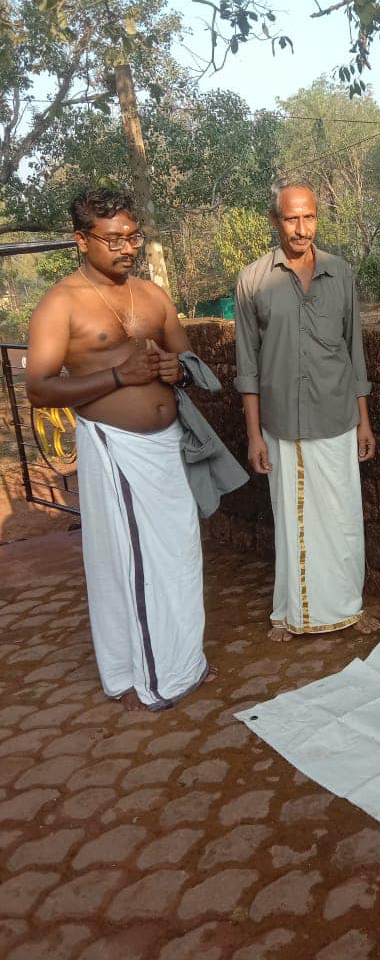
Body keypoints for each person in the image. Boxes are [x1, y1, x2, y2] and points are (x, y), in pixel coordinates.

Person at [25, 188, 214, 710]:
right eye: (112, 239)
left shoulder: (152, 296)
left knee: (178, 555)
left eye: (132, 236)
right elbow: (38, 389)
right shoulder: (60, 303)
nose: (126, 248)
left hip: (167, 447)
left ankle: (182, 659)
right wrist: (114, 374)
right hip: (116, 449)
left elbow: (185, 355)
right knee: (132, 562)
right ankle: (154, 677)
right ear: (82, 240)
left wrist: (181, 369)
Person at [234, 178, 380, 643]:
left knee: (342, 519)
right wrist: (254, 435)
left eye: (310, 217)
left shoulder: (341, 273)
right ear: (276, 221)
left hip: (337, 417)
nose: (302, 228)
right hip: (281, 424)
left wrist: (365, 421)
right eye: (292, 218)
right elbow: (247, 364)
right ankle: (291, 614)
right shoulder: (253, 279)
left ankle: (348, 608)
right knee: (291, 522)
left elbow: (354, 352)